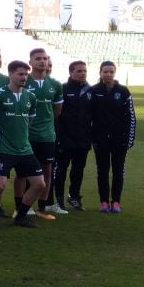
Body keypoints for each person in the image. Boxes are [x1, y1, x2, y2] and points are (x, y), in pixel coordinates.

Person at [0, 60, 45, 228]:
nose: (24, 77)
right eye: (20, 74)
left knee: (39, 184)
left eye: (26, 74)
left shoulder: (31, 97)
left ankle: (21, 216)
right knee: (0, 185)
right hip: (4, 148)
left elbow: (30, 120)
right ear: (10, 74)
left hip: (25, 148)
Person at [88, 61, 135, 213]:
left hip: (119, 139)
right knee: (102, 171)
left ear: (114, 73)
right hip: (100, 139)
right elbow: (87, 116)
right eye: (105, 72)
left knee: (118, 171)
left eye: (111, 72)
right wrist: (92, 138)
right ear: (100, 73)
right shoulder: (94, 91)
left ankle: (115, 202)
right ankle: (103, 202)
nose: (108, 74)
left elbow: (131, 117)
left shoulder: (123, 91)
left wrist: (129, 139)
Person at [23, 48, 64, 217]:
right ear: (30, 62)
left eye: (45, 58)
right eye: (38, 58)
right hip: (27, 135)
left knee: (47, 169)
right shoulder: (24, 81)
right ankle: (25, 205)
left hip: (47, 135)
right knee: (26, 171)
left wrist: (45, 123)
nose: (42, 61)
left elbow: (57, 110)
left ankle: (43, 206)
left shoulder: (55, 84)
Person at [54, 61, 91, 211]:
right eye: (79, 71)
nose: (83, 73)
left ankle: (74, 197)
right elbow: (56, 114)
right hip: (65, 138)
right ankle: (58, 199)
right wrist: (59, 136)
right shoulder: (62, 89)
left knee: (78, 170)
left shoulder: (90, 91)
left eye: (84, 71)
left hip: (83, 139)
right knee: (61, 170)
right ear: (71, 73)